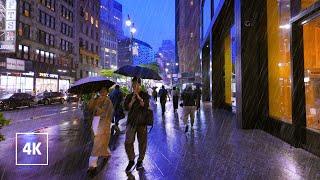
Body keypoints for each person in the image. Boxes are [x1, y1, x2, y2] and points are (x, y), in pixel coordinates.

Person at [124, 77, 150, 172]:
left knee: (142, 142)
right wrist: (132, 100)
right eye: (133, 84)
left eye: (136, 84)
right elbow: (127, 108)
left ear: (140, 84)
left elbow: (145, 105)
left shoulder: (145, 95)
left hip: (142, 123)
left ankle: (140, 160)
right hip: (131, 122)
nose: (134, 86)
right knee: (128, 142)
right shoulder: (129, 96)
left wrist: (139, 98)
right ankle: (131, 159)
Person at [87, 88, 113, 173]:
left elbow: (105, 113)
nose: (102, 93)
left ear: (107, 92)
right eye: (100, 91)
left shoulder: (108, 101)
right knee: (100, 142)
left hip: (103, 124)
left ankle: (92, 165)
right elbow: (89, 108)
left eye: (104, 91)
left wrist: (97, 107)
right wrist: (92, 98)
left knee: (97, 144)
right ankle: (106, 153)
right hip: (95, 122)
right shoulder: (96, 99)